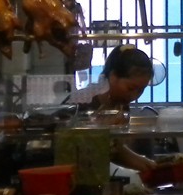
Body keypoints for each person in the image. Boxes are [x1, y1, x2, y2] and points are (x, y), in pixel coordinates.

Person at [66, 45, 158, 175]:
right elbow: (82, 149)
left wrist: (147, 165)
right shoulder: (84, 101)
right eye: (131, 88)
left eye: (141, 90)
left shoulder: (121, 104)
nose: (135, 96)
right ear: (113, 76)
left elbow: (113, 148)